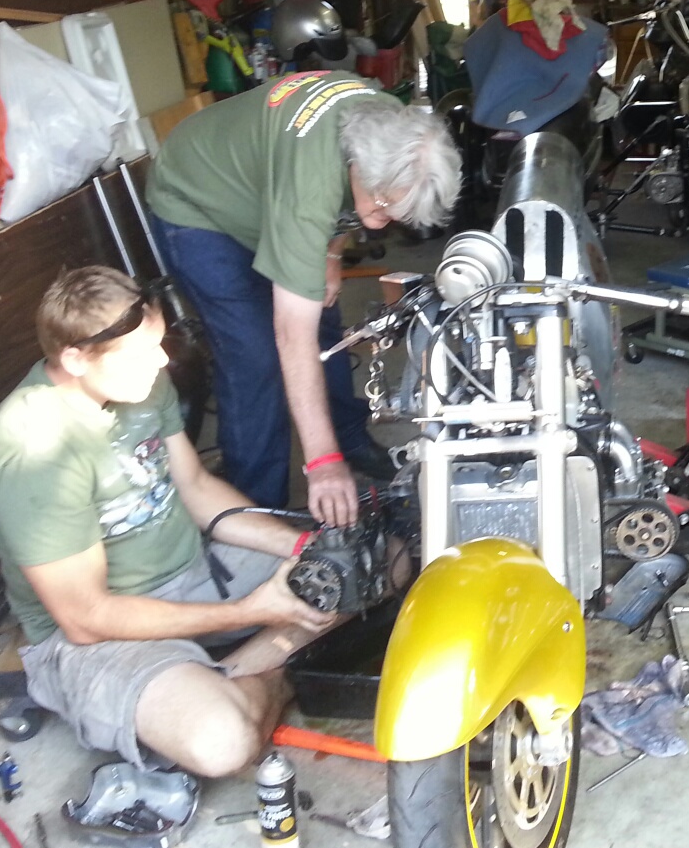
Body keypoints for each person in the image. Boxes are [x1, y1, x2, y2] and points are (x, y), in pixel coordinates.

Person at [0, 267, 337, 776]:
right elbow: (87, 618)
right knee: (222, 742)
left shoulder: (141, 382)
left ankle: (231, 672)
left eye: (158, 343)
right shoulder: (32, 453)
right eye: (142, 352)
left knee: (373, 563)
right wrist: (248, 611)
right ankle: (278, 671)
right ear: (75, 359)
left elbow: (197, 488)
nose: (163, 360)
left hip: (193, 571)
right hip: (95, 635)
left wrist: (305, 548)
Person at [146, 70, 461, 527]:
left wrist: (331, 254)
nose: (379, 222)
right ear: (357, 165)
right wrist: (321, 463)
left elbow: (348, 209)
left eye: (394, 213)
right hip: (197, 203)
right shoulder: (311, 186)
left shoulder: (394, 127)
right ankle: (256, 508)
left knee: (325, 320)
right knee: (255, 354)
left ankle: (350, 439)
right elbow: (292, 334)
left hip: (264, 191)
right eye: (378, 204)